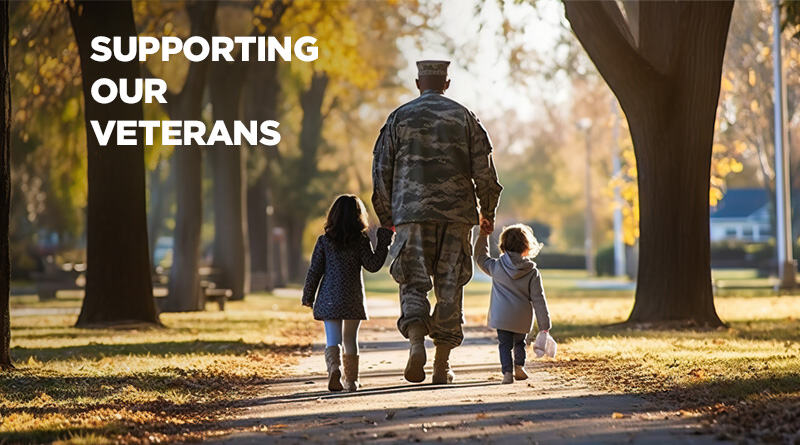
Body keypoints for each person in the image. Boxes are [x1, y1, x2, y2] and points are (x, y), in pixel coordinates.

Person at [372, 60, 503, 384]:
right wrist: (488, 212)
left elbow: (381, 170)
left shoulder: (398, 118)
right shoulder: (464, 117)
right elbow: (485, 172)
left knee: (413, 282)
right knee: (449, 286)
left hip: (410, 215)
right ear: (446, 83)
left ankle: (417, 344)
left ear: (419, 83)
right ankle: (441, 366)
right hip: (456, 215)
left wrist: (388, 218)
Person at [302, 195, 394, 392]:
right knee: (350, 339)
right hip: (352, 298)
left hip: (329, 299)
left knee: (332, 339)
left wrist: (308, 296)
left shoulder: (324, 241)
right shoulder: (360, 241)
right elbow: (373, 265)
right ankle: (351, 381)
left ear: (333, 216)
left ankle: (334, 369)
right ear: (358, 217)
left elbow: (314, 271)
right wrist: (384, 239)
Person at [474, 222, 552, 384]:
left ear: (503, 245)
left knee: (504, 345)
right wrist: (545, 326)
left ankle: (507, 373)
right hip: (522, 317)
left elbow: (480, 257)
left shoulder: (496, 267)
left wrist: (483, 236)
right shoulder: (532, 272)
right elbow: (539, 300)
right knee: (519, 343)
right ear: (526, 247)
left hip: (502, 316)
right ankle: (519, 366)